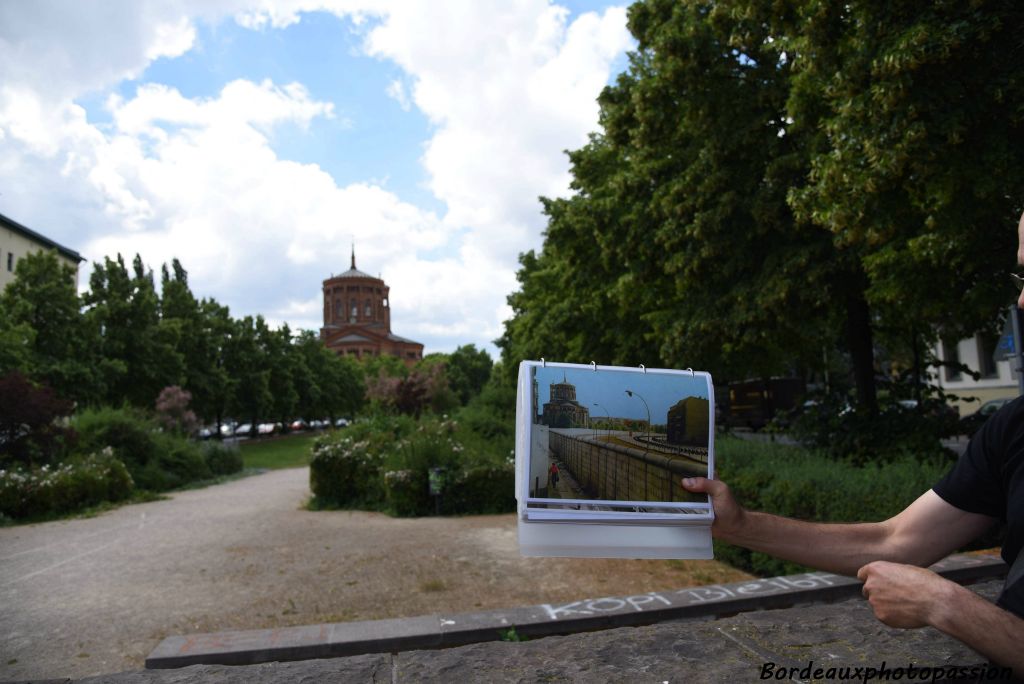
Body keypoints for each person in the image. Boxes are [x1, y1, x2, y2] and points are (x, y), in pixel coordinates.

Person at [681, 210, 1024, 678]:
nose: (1021, 301)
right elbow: (897, 541)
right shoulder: (1015, 425)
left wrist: (948, 606)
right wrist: (739, 526)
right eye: (1021, 275)